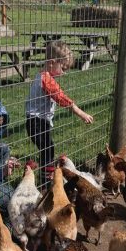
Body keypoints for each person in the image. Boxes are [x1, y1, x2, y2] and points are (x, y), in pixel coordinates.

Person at [25, 42, 94, 184]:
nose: (64, 72)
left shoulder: (44, 76)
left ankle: (46, 178)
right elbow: (60, 97)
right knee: (48, 149)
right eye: (63, 67)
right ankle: (46, 181)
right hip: (36, 122)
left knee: (47, 149)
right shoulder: (46, 79)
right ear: (52, 63)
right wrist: (80, 113)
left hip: (39, 121)